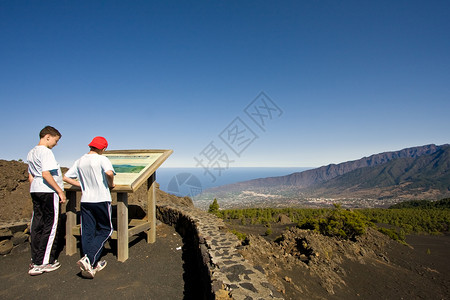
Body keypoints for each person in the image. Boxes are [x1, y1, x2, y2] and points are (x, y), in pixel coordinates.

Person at [63, 136, 115, 279]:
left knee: (87, 231)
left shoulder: (80, 160)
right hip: (101, 199)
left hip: (85, 200)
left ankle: (91, 264)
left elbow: (66, 177)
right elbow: (109, 173)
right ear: (103, 148)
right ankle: (89, 259)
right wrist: (111, 184)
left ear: (91, 146)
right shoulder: (102, 159)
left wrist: (82, 185)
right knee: (106, 229)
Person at [27, 126, 66, 276]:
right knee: (51, 226)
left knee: (37, 224)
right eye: (56, 140)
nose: (56, 144)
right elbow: (46, 174)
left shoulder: (31, 152)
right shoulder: (46, 152)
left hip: (35, 189)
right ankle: (43, 262)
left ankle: (35, 257)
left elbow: (31, 175)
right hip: (48, 191)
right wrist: (59, 190)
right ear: (48, 136)